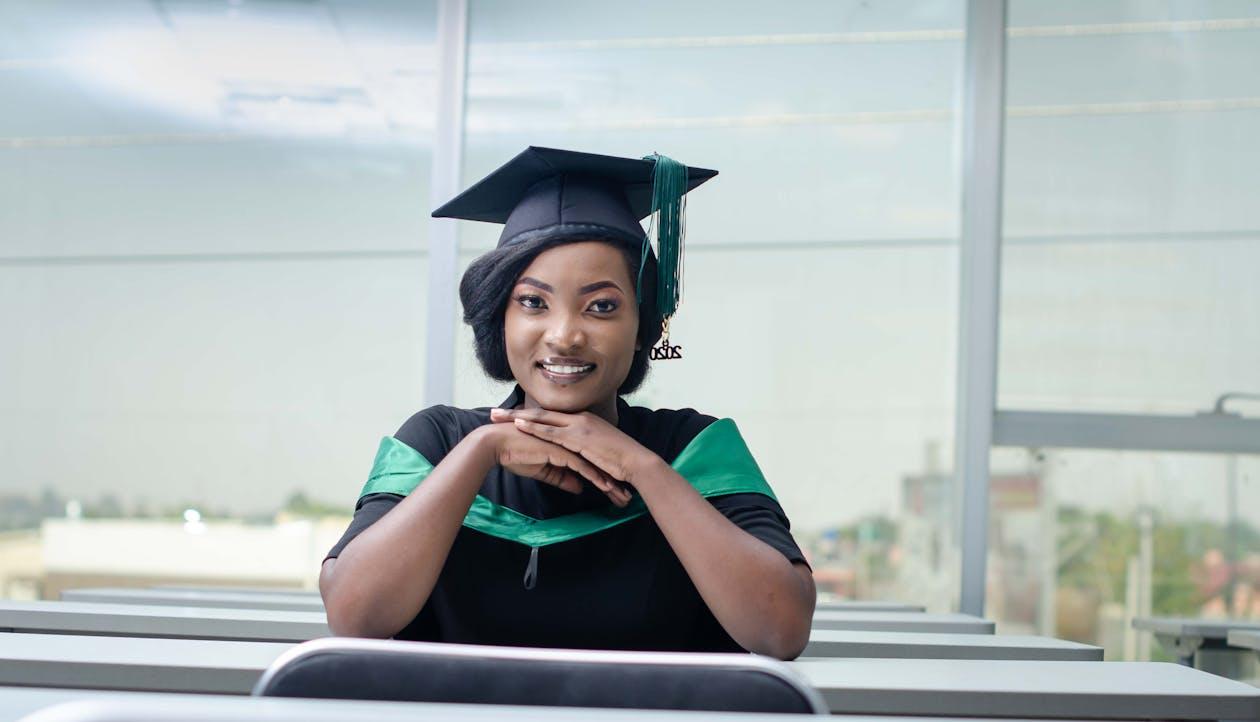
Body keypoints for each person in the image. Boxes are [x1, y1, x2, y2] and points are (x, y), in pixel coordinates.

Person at [320, 147, 815, 659]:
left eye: (601, 307)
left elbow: (780, 631)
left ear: (644, 326)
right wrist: (481, 451)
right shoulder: (438, 442)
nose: (565, 336)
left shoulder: (693, 448)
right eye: (533, 302)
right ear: (500, 319)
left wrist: (640, 466)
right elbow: (356, 617)